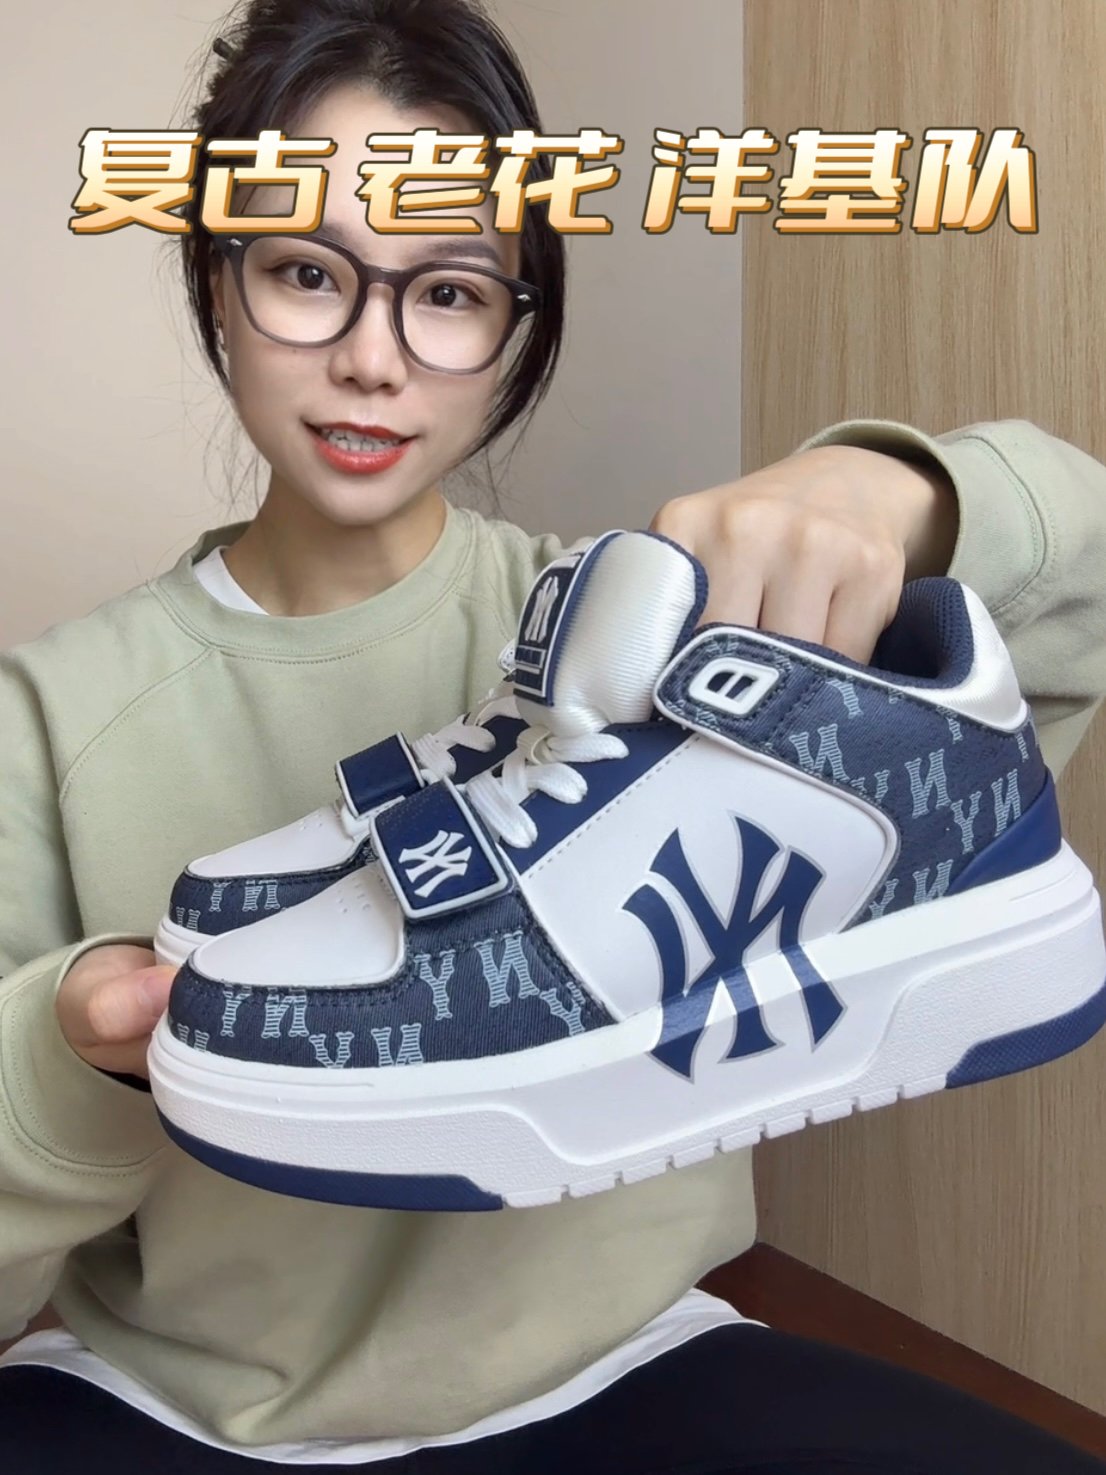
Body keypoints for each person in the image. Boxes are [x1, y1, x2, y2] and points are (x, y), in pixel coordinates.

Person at [2, 1, 1105, 1470]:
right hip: (176, 1403)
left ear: (519, 323)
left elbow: (1075, 579)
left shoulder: (650, 634)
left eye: (451, 291)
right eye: (305, 272)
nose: (373, 358)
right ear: (218, 276)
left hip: (625, 1361)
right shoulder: (46, 712)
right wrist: (69, 1056)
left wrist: (892, 491)